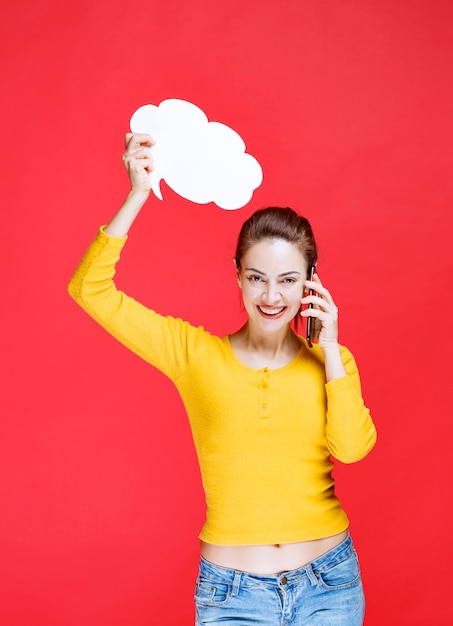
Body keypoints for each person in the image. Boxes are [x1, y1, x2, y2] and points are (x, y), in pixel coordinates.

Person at [68, 133, 377, 625]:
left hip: (329, 586)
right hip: (232, 596)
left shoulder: (331, 364)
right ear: (237, 274)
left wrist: (332, 344)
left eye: (289, 279)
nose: (272, 295)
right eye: (257, 277)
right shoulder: (194, 354)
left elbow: (352, 447)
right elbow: (90, 289)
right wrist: (137, 195)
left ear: (311, 281)